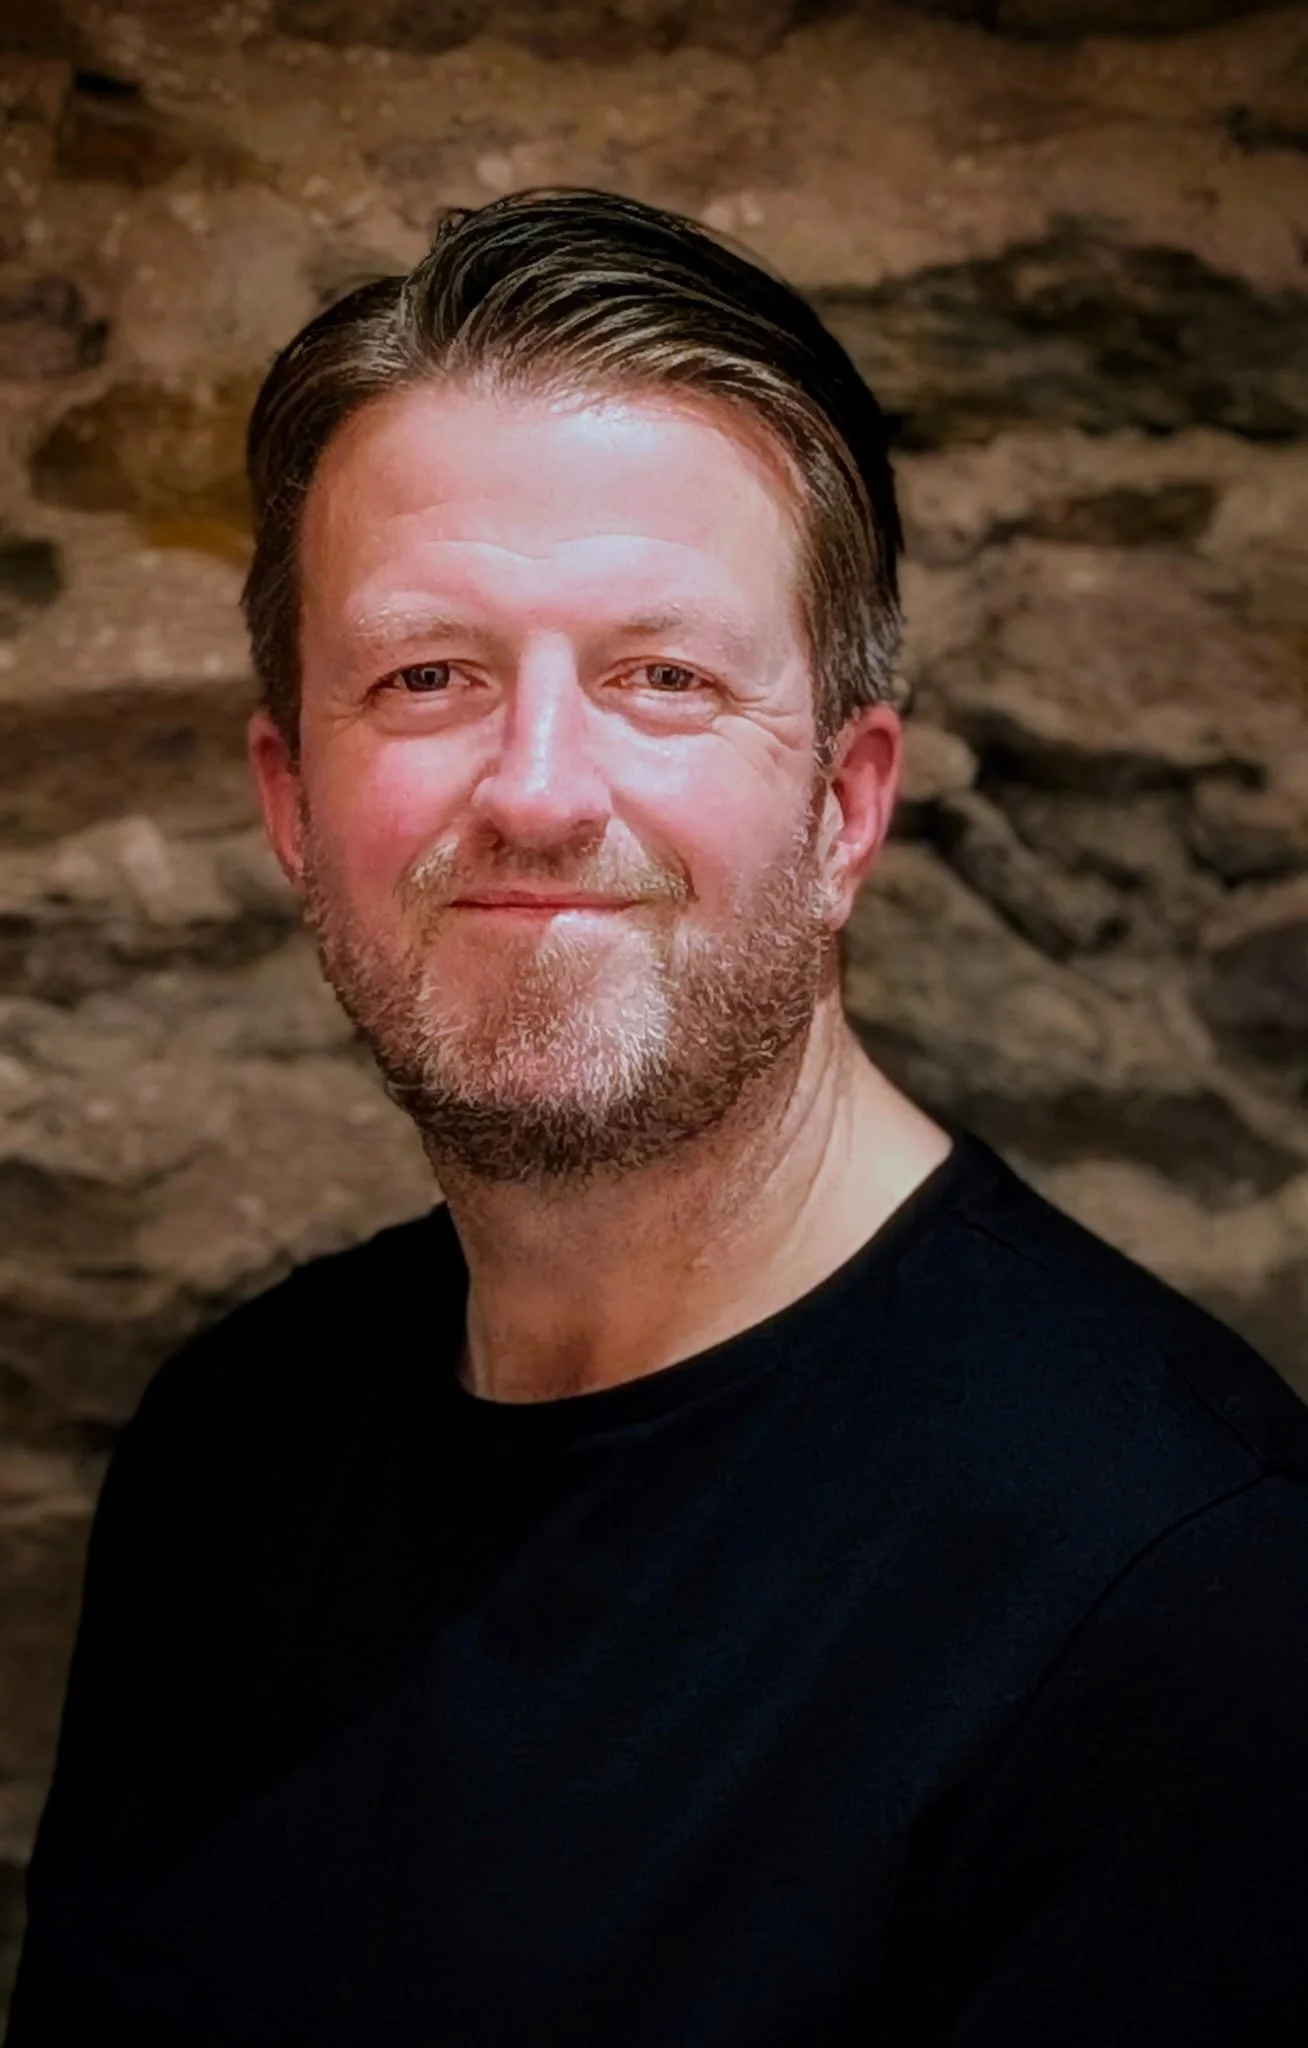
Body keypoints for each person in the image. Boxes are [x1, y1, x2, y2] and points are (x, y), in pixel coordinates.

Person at [7, 188, 1308, 2048]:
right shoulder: (226, 1457)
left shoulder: (1182, 1597)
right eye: (427, 676)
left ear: (846, 806)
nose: (537, 787)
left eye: (664, 678)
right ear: (293, 800)